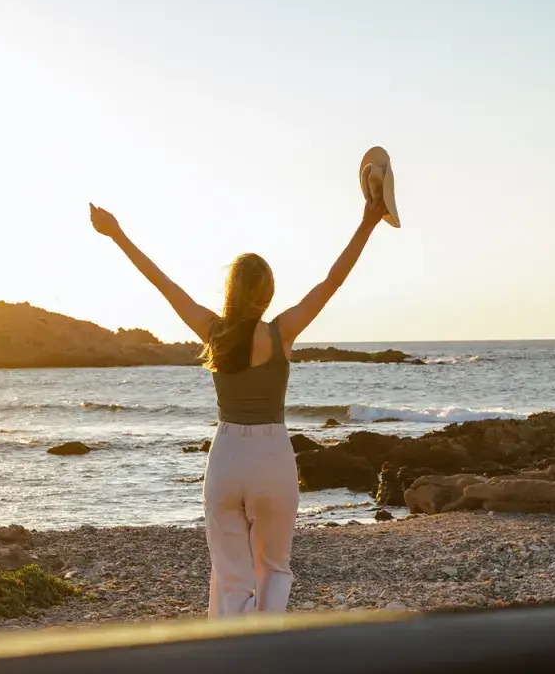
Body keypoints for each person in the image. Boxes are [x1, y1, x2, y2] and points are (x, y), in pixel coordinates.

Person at [89, 190, 389, 615]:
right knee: (274, 569)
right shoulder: (280, 331)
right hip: (271, 456)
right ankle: (267, 660)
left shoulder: (214, 331)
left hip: (226, 456)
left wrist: (117, 234)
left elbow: (163, 284)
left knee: (230, 576)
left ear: (231, 290)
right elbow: (331, 282)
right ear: (267, 293)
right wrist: (367, 223)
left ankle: (228, 660)